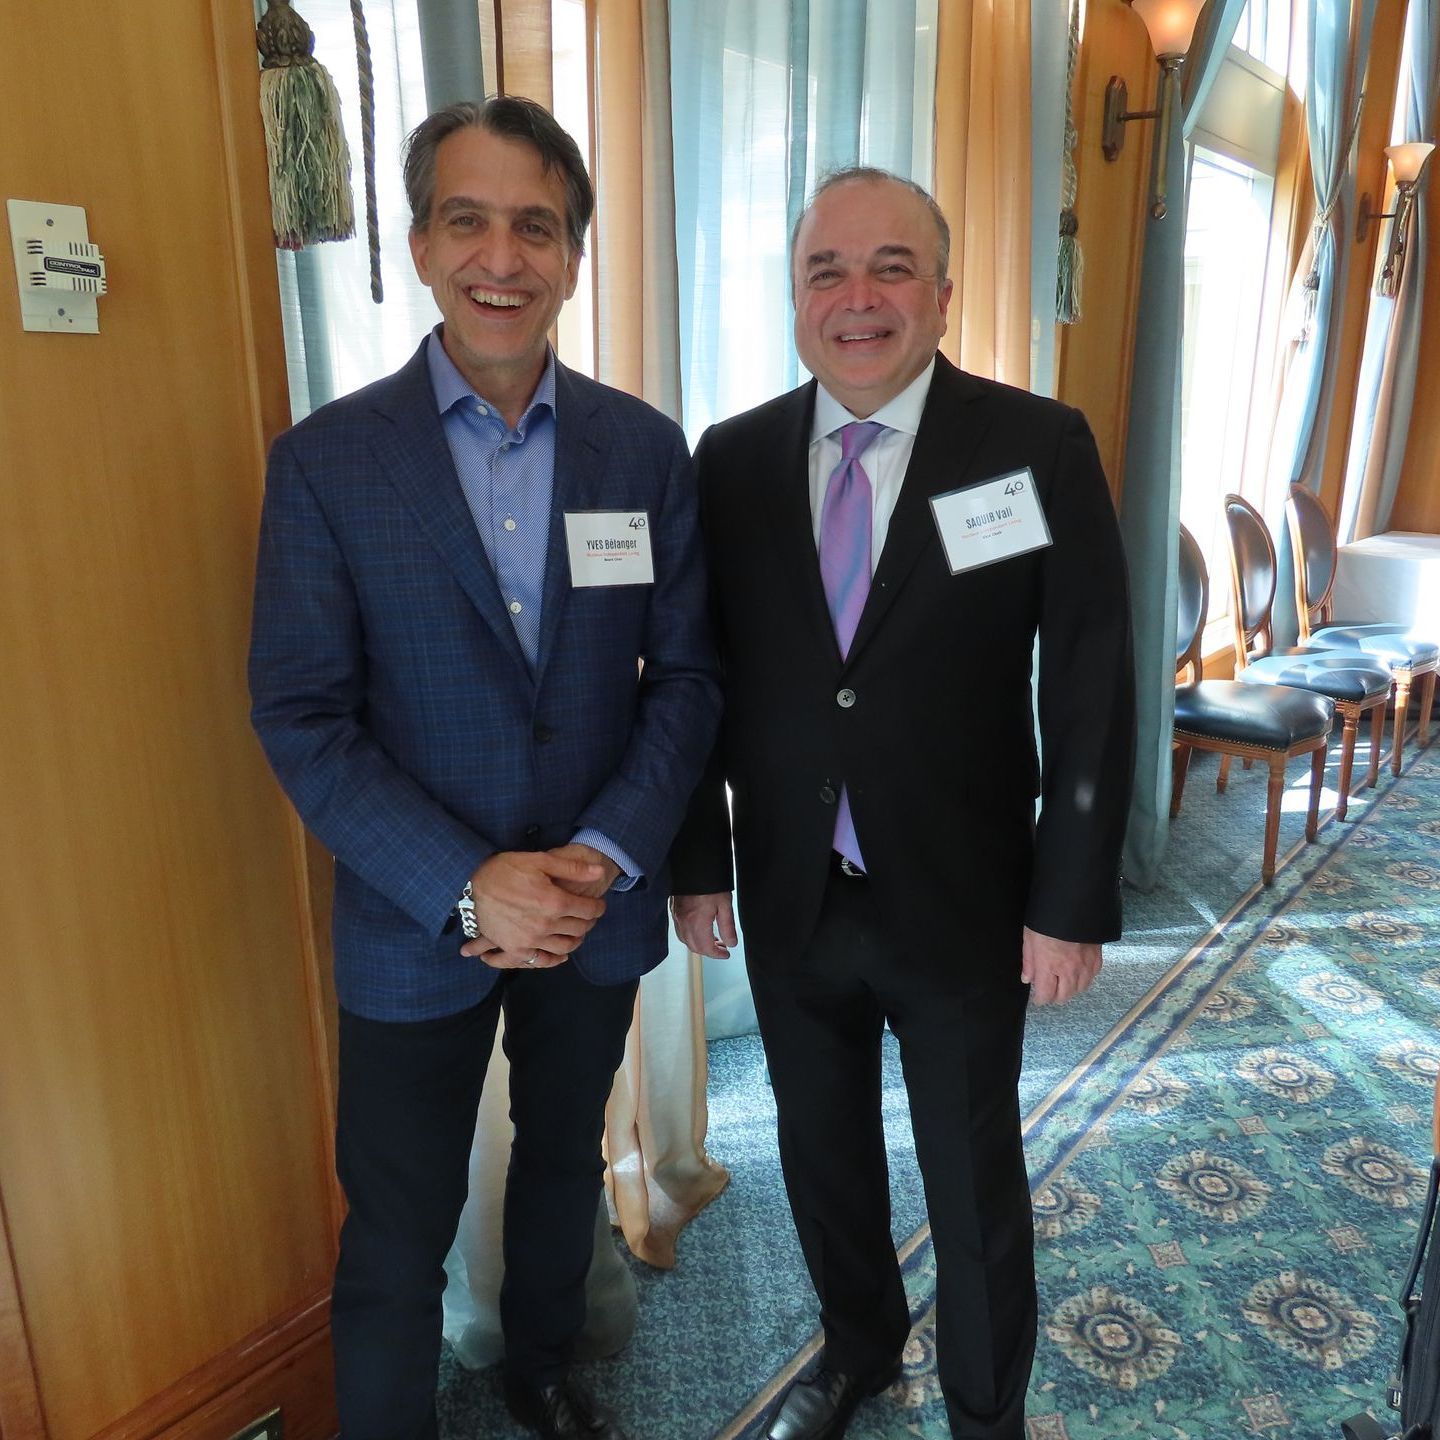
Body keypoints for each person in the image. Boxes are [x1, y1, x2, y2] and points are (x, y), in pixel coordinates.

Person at [248, 97, 720, 1440]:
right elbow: (299, 712)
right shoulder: (327, 463)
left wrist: (602, 858)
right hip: (415, 921)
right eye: (468, 219)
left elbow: (688, 679)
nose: (500, 256)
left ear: (573, 255)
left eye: (535, 225)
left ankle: (544, 1369)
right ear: (416, 243)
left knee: (565, 1163)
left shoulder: (643, 448)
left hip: (598, 901)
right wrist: (469, 881)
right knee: (399, 1218)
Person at [670, 167, 1135, 1440]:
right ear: (795, 297)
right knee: (821, 1154)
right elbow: (697, 672)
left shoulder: (1034, 445)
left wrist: (1071, 895)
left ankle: (987, 1413)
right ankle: (859, 1345)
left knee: (971, 1177)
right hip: (792, 889)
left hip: (965, 899)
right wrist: (697, 858)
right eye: (827, 270)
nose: (858, 298)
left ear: (941, 292)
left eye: (890, 269)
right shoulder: (733, 459)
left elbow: (1090, 681)